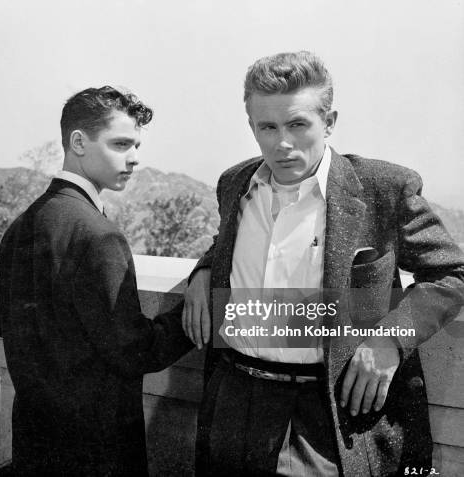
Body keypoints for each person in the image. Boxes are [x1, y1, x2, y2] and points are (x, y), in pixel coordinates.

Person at [182, 51, 464, 476]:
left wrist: (389, 339)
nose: (282, 143)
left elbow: (451, 273)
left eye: (298, 124)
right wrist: (203, 271)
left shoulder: (382, 188)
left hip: (329, 414)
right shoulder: (234, 183)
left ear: (329, 122)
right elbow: (226, 241)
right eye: (268, 127)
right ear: (252, 127)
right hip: (234, 399)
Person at [0, 86, 193, 476]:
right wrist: (203, 308)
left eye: (136, 146)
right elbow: (136, 350)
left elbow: (1, 320)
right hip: (98, 453)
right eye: (120, 144)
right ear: (78, 142)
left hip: (35, 443)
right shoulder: (100, 236)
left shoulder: (21, 225)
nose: (134, 159)